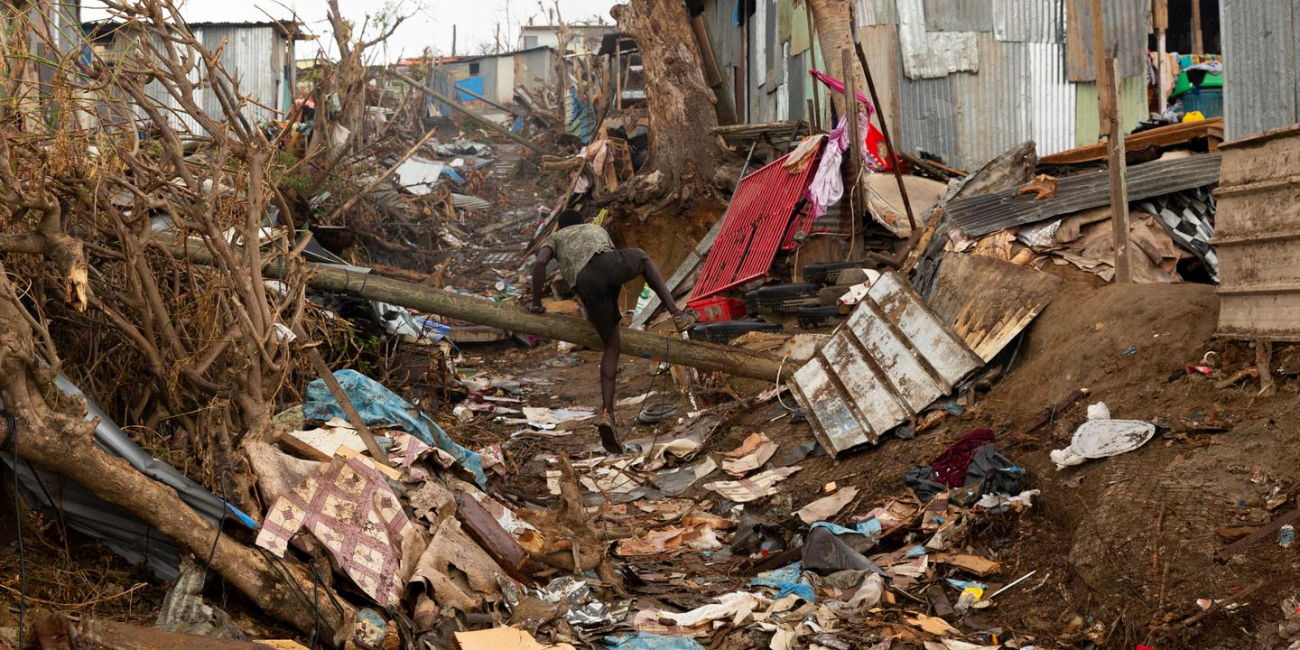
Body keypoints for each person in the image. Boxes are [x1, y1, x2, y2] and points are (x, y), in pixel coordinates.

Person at [529, 211, 696, 453]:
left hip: (585, 282)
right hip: (608, 265)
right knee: (641, 258)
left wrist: (536, 303)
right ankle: (676, 314)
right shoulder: (595, 230)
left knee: (611, 345)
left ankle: (608, 414)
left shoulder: (555, 239)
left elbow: (540, 264)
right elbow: (612, 270)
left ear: (561, 226)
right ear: (581, 222)